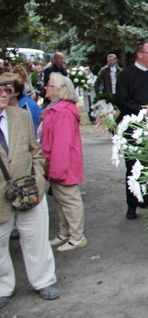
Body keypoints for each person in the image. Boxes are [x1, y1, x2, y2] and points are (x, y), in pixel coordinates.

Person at [0, 75, 59, 308]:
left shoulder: (21, 116)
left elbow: (36, 150)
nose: (4, 94)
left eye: (6, 90)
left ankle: (43, 281)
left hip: (29, 189)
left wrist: (39, 179)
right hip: (0, 196)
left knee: (36, 238)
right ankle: (3, 287)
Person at [115, 42, 148, 220]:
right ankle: (132, 204)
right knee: (133, 166)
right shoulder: (126, 76)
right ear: (139, 54)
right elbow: (121, 100)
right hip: (133, 128)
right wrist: (140, 109)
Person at [41, 73, 87, 252]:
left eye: (50, 85)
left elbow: (62, 144)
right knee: (60, 201)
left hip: (63, 166)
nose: (46, 87)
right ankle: (65, 232)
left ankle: (77, 236)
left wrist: (56, 171)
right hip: (55, 164)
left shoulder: (64, 112)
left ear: (60, 90)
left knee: (70, 201)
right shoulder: (55, 108)